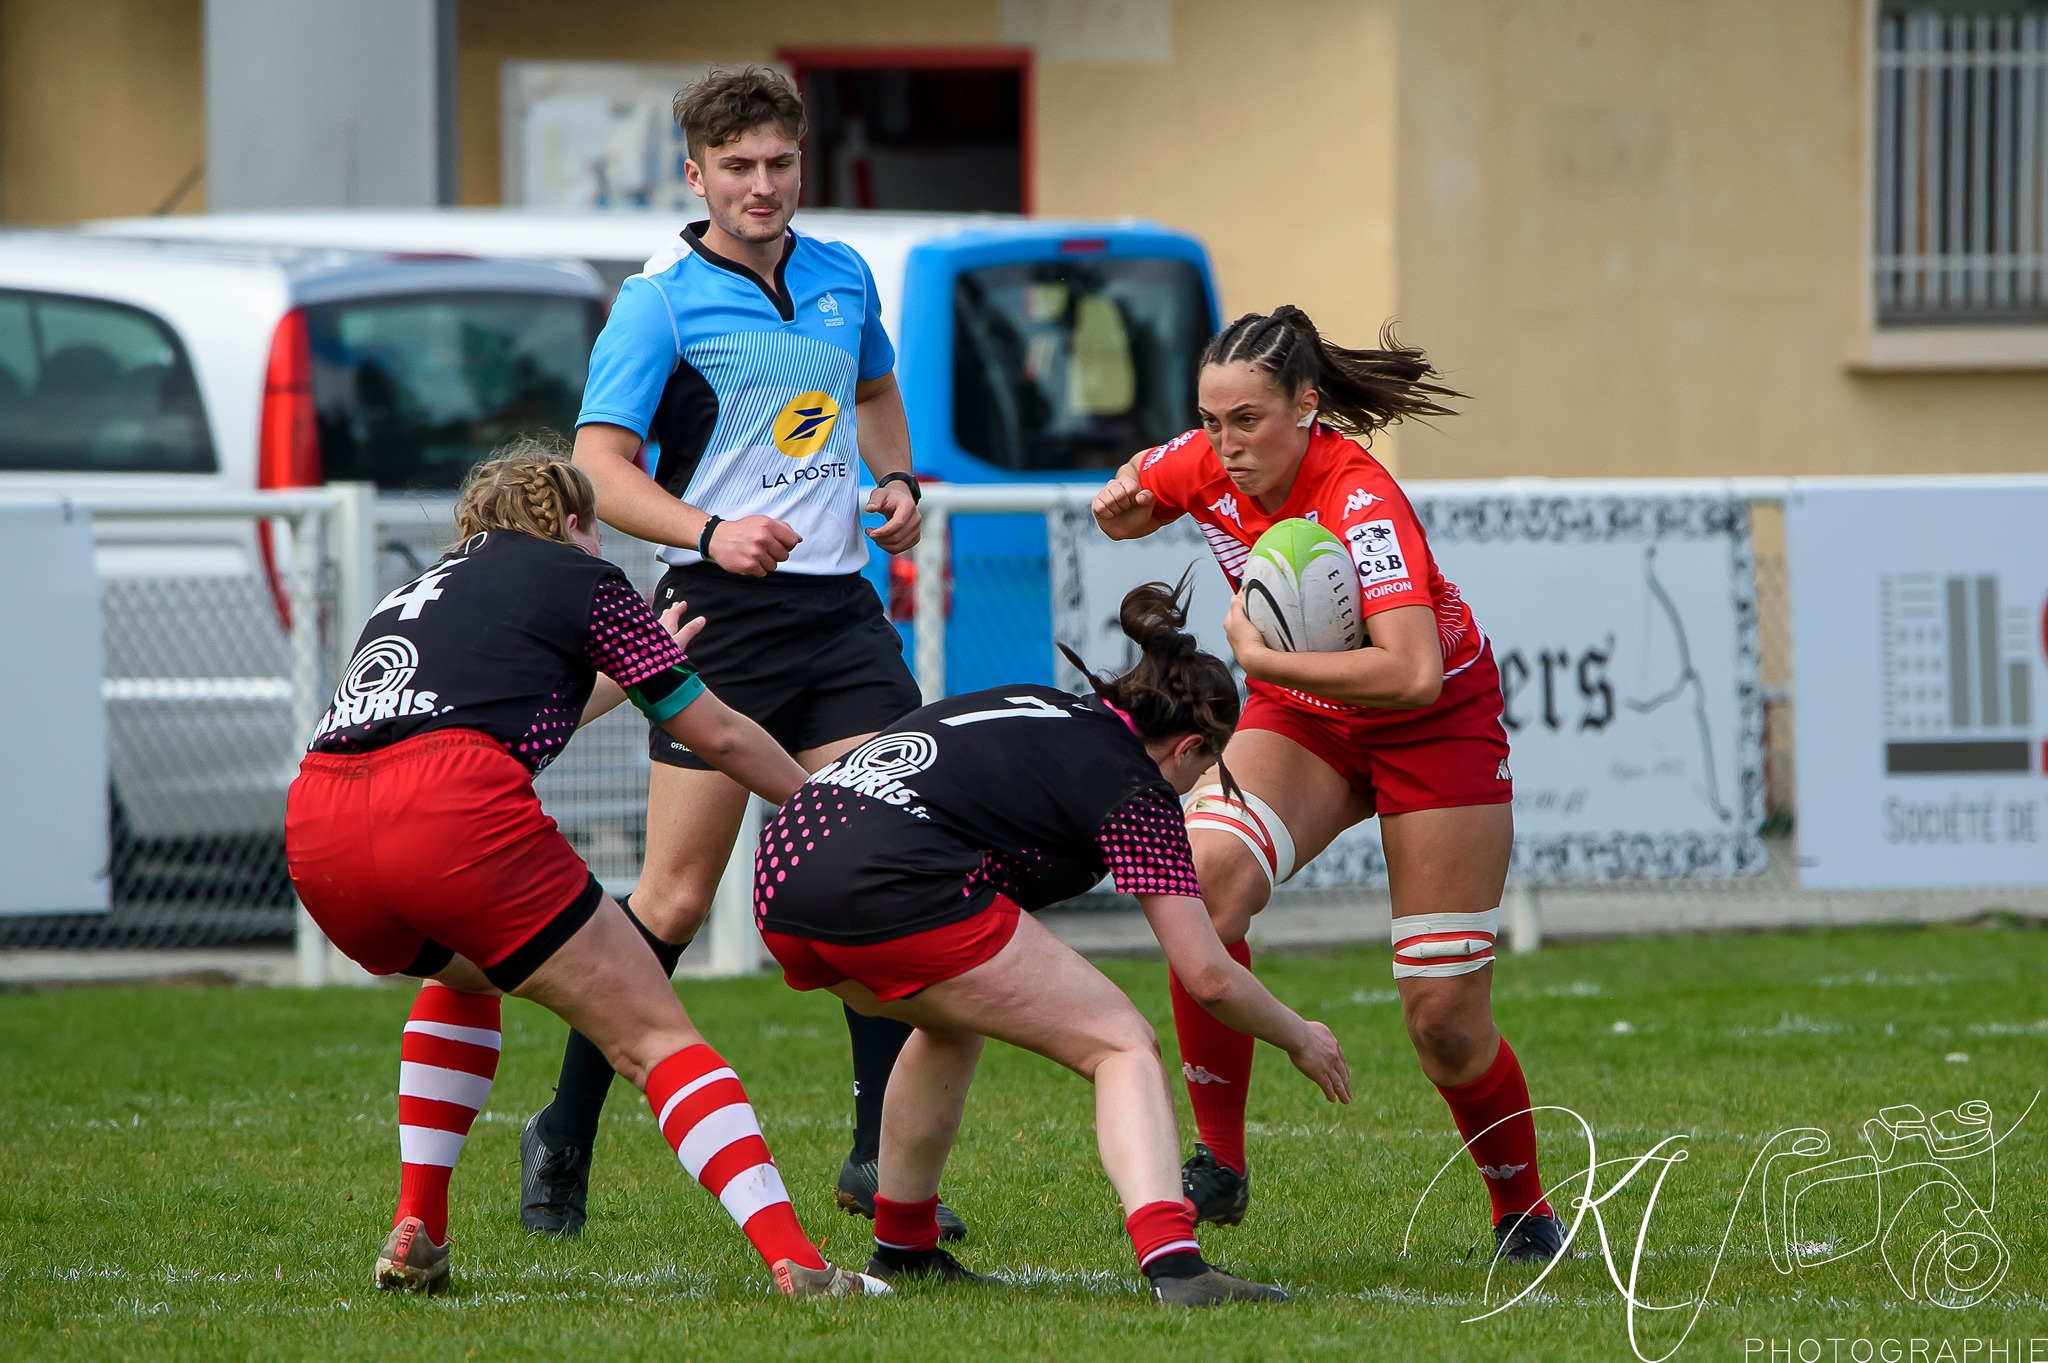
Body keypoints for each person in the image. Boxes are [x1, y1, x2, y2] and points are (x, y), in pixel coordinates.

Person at [520, 64, 960, 1242]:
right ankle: (563, 1127)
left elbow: (874, 390)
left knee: (877, 863)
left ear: (800, 163)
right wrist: (709, 531)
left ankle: (874, 1157)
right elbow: (598, 470)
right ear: (695, 175)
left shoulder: (842, 274)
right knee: (671, 896)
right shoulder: (656, 303)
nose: (761, 185)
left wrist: (898, 480)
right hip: (720, 614)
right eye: (737, 167)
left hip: (843, 618)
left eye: (778, 163)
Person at [285, 444, 884, 1299]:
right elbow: (716, 733)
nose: (603, 545)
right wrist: (830, 802)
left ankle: (420, 1222)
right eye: (597, 528)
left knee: (466, 973)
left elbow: (508, 709)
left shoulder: (421, 590)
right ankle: (800, 1261)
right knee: (656, 1037)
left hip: (322, 826)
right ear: (573, 522)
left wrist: (633, 669)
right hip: (446, 809)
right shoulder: (582, 576)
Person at [1091, 306, 1567, 1264]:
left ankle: (1523, 1211)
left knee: (1443, 1021)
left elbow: (1413, 673)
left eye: (1248, 421)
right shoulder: (1212, 459)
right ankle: (1219, 1162)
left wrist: (1264, 659)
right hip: (1308, 717)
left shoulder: (1360, 499)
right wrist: (1124, 496)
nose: (1226, 444)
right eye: (1211, 420)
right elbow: (1139, 496)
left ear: (1307, 408)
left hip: (1432, 727)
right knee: (1203, 885)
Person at [751, 581, 1352, 1305]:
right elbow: (1208, 976)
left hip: (785, 866)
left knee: (950, 1023)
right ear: (1189, 745)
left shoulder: (1047, 703)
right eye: (1206, 769)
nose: (1197, 786)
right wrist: (1300, 1036)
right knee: (1122, 1044)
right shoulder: (1136, 786)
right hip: (887, 876)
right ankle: (1177, 1264)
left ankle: (904, 1249)